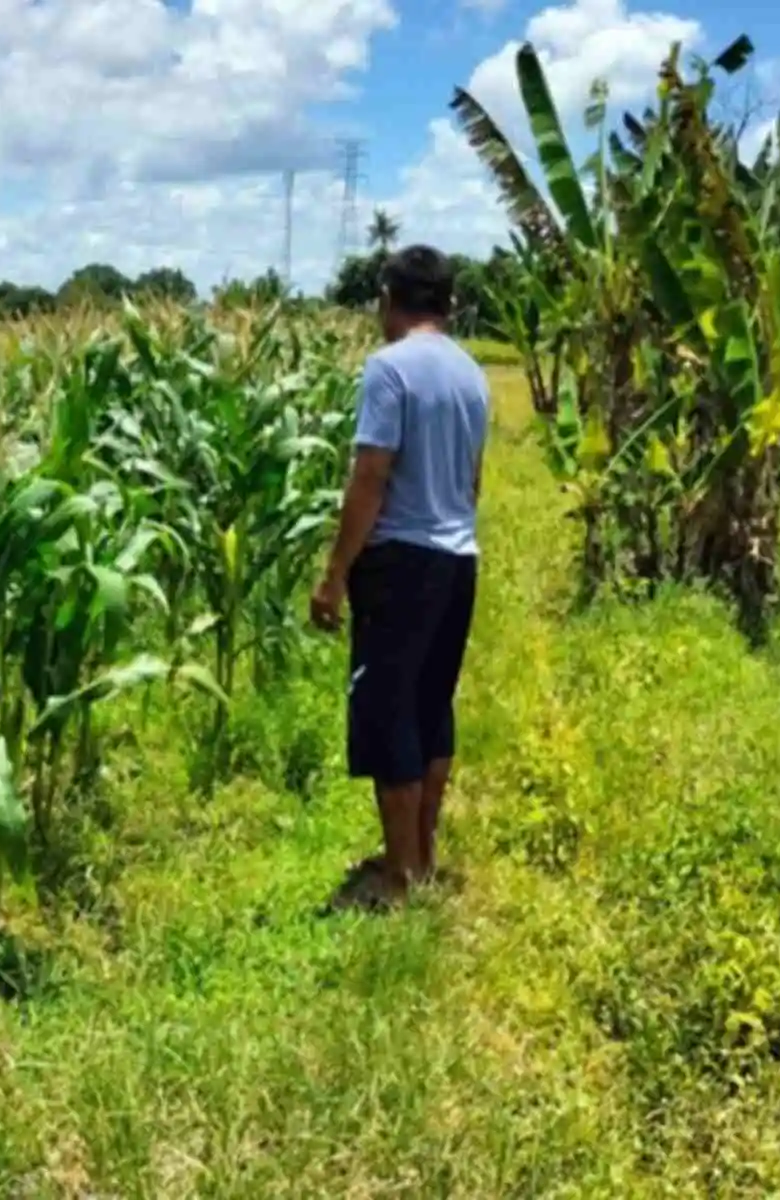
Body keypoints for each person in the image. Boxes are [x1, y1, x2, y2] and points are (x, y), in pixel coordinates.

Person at [309, 245, 488, 913]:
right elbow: (472, 481)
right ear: (447, 304)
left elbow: (370, 477)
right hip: (457, 558)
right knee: (431, 705)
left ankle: (397, 877)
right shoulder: (472, 374)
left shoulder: (389, 369)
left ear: (388, 298)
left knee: (389, 712)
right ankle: (420, 857)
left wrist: (334, 575)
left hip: (400, 563)